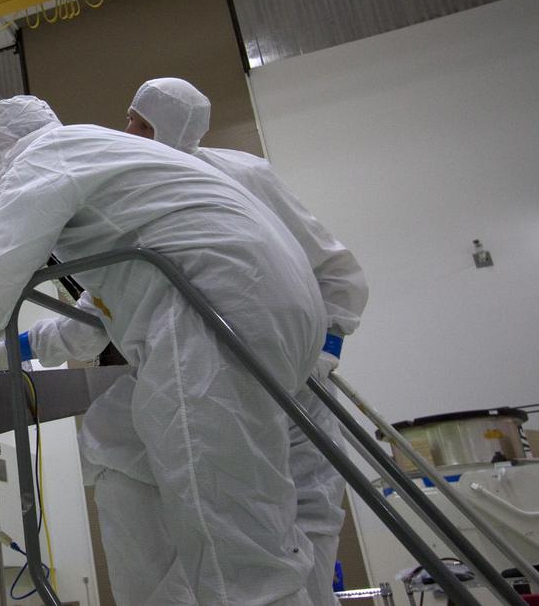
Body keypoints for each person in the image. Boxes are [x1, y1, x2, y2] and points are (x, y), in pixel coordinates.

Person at [0, 95, 326, 605]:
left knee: (233, 546)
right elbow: (96, 321)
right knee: (123, 443)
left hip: (212, 326)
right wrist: (5, 351)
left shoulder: (41, 158)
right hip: (272, 317)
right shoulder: (106, 162)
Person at [127, 76, 369, 605]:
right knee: (252, 523)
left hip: (284, 372)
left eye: (142, 124)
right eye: (131, 120)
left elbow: (332, 265)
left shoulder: (239, 174)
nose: (129, 132)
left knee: (295, 515)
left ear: (174, 128)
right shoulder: (149, 186)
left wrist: (327, 349)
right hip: (249, 372)